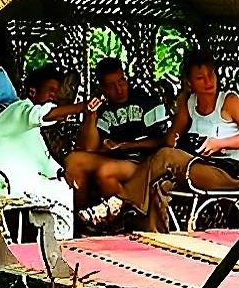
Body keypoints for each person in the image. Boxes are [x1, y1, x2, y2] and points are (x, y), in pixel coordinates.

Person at [78, 49, 239, 233]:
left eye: (211, 75)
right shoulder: (190, 103)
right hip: (197, 166)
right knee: (159, 186)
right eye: (200, 78)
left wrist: (219, 143)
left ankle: (117, 203)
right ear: (190, 82)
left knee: (166, 157)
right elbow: (170, 139)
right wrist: (181, 109)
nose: (209, 82)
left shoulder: (229, 101)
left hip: (229, 172)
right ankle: (153, 236)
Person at [0, 64, 101, 240]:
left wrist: (61, 173)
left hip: (13, 182)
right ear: (32, 92)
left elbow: (44, 160)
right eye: (50, 90)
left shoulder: (30, 128)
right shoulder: (18, 110)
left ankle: (56, 243)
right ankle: (58, 245)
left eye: (57, 91)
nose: (54, 95)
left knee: (62, 186)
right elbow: (44, 114)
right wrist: (82, 107)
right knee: (58, 191)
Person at [62, 57, 169, 211]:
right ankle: (79, 220)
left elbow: (162, 139)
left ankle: (132, 213)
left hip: (143, 160)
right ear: (103, 88)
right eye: (111, 86)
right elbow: (90, 149)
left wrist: (126, 146)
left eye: (121, 82)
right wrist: (92, 115)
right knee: (74, 160)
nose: (119, 89)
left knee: (105, 172)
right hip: (114, 158)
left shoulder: (146, 100)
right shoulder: (104, 109)